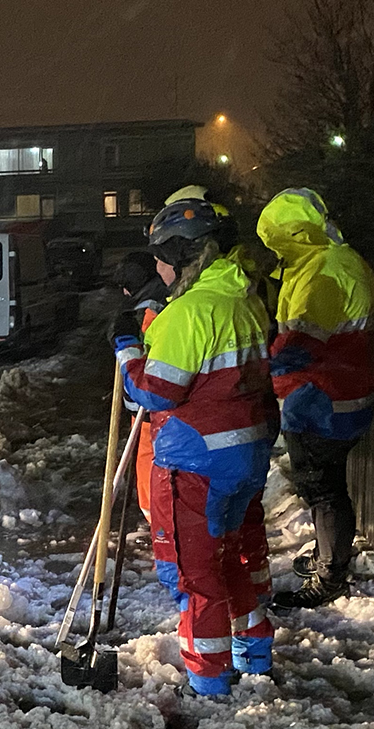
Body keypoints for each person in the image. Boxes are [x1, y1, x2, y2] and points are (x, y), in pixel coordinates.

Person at [111, 198, 279, 696]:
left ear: (182, 256)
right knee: (228, 560)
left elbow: (155, 392)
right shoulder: (242, 298)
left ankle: (209, 684)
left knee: (193, 576)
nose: (158, 268)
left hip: (196, 462)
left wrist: (127, 350)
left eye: (161, 258)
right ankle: (255, 654)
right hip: (244, 456)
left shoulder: (189, 313)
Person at [256, 188, 374, 610]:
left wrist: (261, 365)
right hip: (341, 390)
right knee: (328, 485)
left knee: (322, 488)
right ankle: (331, 555)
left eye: (277, 241)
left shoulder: (322, 271)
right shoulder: (335, 261)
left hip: (320, 399)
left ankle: (330, 574)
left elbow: (301, 342)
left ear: (295, 234)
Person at [113, 251, 168, 524]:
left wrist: (124, 344)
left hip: (149, 403)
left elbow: (145, 352)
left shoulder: (148, 307)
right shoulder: (161, 294)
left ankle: (156, 520)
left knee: (148, 456)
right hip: (152, 399)